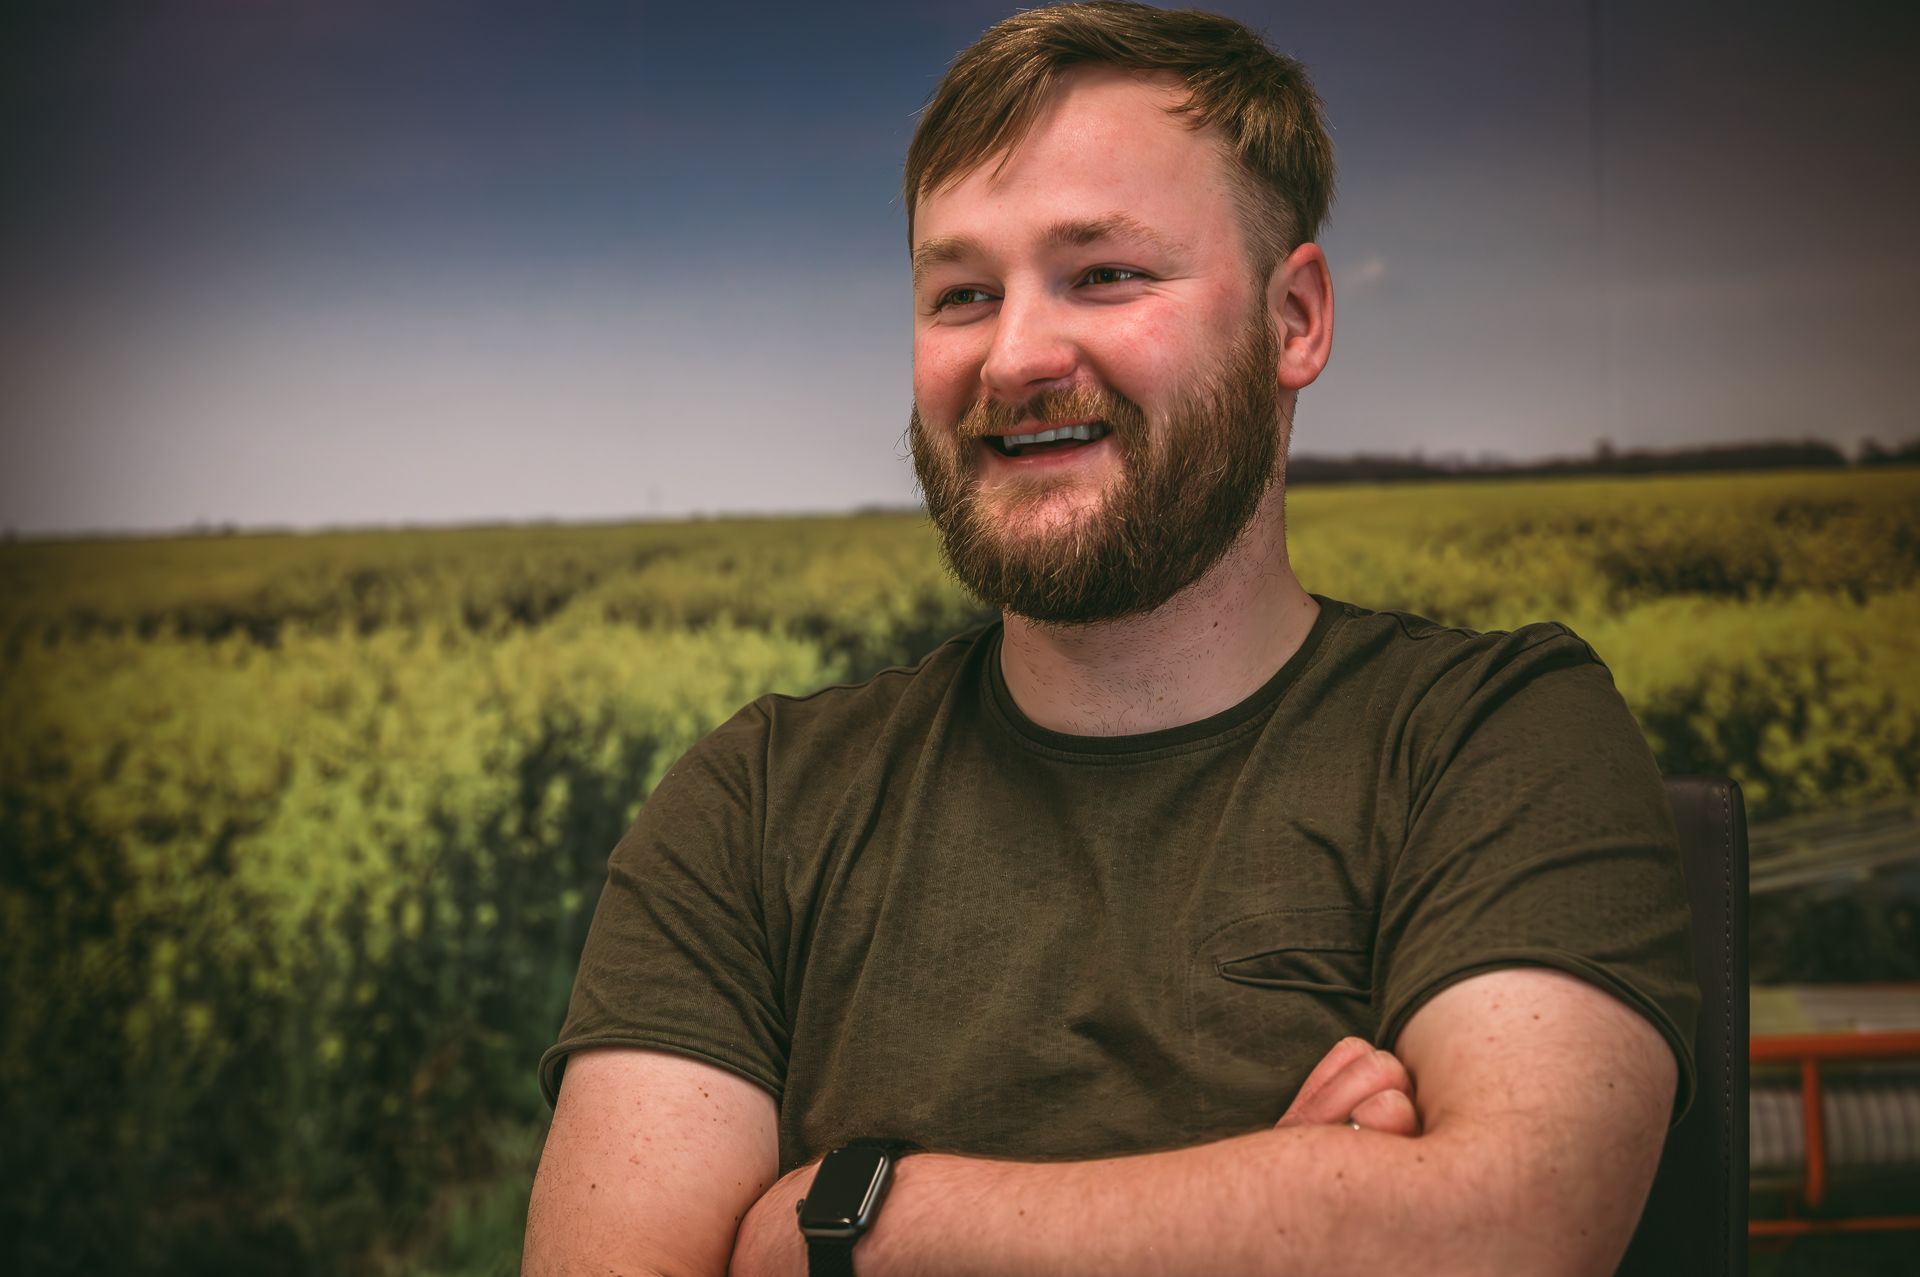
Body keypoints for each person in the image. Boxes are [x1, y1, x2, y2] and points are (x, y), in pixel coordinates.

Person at [523, 4, 1698, 1274]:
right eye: (962, 292)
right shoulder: (755, 805)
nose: (1016, 354)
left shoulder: (1491, 735)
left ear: (1295, 318)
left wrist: (849, 1222)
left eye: (1106, 275)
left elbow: (1503, 1231)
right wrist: (1297, 1199)